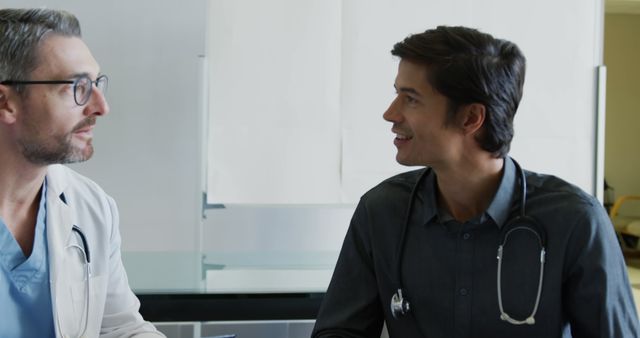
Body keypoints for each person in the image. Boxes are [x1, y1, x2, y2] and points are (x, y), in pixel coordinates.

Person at [312, 26, 640, 338]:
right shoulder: (382, 212)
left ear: (471, 118)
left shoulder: (575, 222)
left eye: (410, 99)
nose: (390, 113)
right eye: (397, 94)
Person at [0, 8, 164, 337]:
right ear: (5, 103)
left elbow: (119, 327)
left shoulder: (92, 207)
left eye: (96, 84)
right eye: (76, 86)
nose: (101, 106)